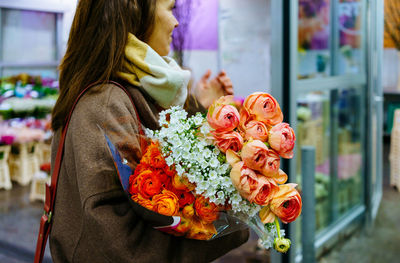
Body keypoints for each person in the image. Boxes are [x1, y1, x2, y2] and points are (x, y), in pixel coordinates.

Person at [49, 0, 249, 262]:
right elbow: (114, 246)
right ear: (134, 12)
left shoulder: (134, 90)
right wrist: (228, 225)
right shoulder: (106, 104)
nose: (176, 22)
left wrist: (202, 107)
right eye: (170, 9)